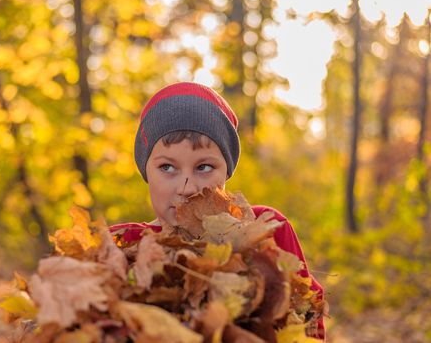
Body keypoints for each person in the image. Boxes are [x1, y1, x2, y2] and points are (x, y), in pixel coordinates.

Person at [109, 82, 325, 339]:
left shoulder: (266, 228)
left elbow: (310, 323)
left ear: (226, 172)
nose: (186, 187)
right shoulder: (122, 244)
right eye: (167, 168)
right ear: (147, 172)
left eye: (204, 167)